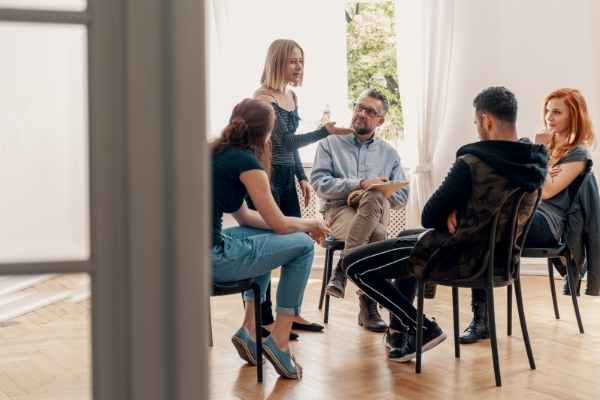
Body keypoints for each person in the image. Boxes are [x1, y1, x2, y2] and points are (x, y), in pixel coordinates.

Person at [343, 86, 548, 362]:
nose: (477, 128)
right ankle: (399, 333)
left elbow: (429, 216)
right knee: (406, 234)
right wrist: (458, 208)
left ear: (486, 120)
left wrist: (451, 209)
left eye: (477, 122)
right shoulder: (535, 163)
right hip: (499, 260)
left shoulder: (472, 162)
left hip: (454, 255)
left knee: (353, 264)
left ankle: (420, 326)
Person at [461, 88, 595, 344]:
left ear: (574, 116)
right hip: (523, 213)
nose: (549, 117)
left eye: (557, 112)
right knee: (486, 228)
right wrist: (540, 160)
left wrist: (540, 154)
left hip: (548, 223)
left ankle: (481, 319)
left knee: (489, 223)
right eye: (547, 110)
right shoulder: (533, 148)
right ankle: (481, 318)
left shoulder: (578, 154)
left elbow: (544, 192)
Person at [211, 98, 329, 379]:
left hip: (192, 254)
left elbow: (247, 218)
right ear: (266, 133)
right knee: (302, 247)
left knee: (262, 234)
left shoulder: (214, 151)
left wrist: (296, 226)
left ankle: (250, 329)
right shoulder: (248, 164)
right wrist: (311, 224)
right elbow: (278, 221)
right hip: (213, 260)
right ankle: (279, 341)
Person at [251, 39, 353, 338]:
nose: (299, 66)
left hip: (285, 176)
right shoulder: (262, 98)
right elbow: (283, 142)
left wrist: (302, 177)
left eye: (301, 61)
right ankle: (263, 317)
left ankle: (291, 312)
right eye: (293, 61)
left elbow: (290, 147)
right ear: (277, 62)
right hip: (266, 178)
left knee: (298, 245)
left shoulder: (291, 96)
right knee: (267, 248)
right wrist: (326, 132)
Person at [310, 88, 409, 332]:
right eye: (359, 108)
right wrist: (359, 184)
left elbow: (402, 196)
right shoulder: (329, 144)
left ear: (380, 120)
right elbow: (319, 183)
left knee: (376, 197)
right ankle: (369, 306)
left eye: (370, 111)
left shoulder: (389, 153)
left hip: (376, 211)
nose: (362, 114)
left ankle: (344, 268)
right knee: (377, 235)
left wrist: (379, 189)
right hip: (339, 211)